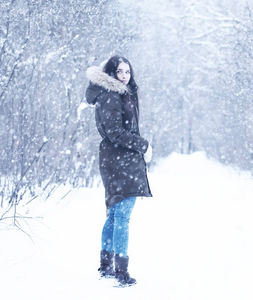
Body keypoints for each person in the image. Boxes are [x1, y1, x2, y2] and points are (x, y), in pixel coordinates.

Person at [85, 55, 153, 286]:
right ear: (111, 74)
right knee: (122, 215)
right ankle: (121, 271)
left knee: (115, 215)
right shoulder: (112, 95)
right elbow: (115, 132)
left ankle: (107, 266)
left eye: (127, 72)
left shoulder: (118, 94)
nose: (124, 76)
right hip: (119, 160)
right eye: (119, 72)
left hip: (116, 159)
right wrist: (143, 145)